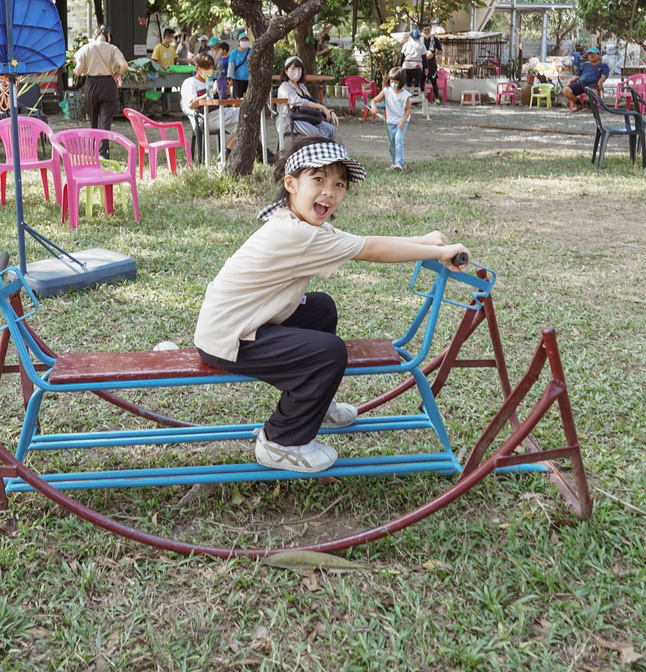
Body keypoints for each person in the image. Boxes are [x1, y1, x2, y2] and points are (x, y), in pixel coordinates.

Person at [194, 136, 469, 472]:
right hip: (229, 338)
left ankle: (315, 404)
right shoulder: (298, 234)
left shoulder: (297, 222)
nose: (330, 191)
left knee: (320, 308)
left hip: (241, 324)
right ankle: (281, 441)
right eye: (319, 179)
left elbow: (363, 242)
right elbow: (371, 250)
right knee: (329, 352)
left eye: (339, 184)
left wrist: (426, 242)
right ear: (291, 184)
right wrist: (437, 252)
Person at [73, 25, 129, 158]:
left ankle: (93, 153)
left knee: (94, 120)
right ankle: (103, 153)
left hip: (92, 84)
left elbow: (78, 71)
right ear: (108, 36)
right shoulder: (113, 48)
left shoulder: (87, 48)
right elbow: (124, 65)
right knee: (105, 121)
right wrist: (117, 74)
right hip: (108, 85)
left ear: (95, 35)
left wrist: (78, 67)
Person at [181, 51, 239, 161]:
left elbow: (224, 102)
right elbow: (191, 104)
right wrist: (209, 92)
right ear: (197, 68)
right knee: (245, 114)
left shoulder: (211, 81)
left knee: (245, 124)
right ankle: (226, 155)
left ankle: (225, 153)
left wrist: (226, 91)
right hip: (205, 118)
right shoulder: (190, 83)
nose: (209, 71)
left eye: (211, 68)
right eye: (206, 68)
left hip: (220, 114)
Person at [277, 55, 338, 139]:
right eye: (293, 69)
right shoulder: (285, 87)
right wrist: (321, 107)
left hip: (307, 117)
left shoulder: (302, 86)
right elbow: (299, 101)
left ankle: (325, 150)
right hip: (291, 119)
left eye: (299, 69)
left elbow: (311, 102)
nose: (297, 72)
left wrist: (329, 111)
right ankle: (314, 150)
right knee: (314, 133)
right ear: (286, 71)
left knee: (331, 129)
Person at [369, 67, 411, 172]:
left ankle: (399, 163)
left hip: (401, 121)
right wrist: (373, 107)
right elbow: (374, 100)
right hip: (390, 122)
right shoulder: (386, 91)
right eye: (391, 81)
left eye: (396, 82)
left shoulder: (405, 95)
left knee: (398, 140)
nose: (393, 84)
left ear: (401, 82)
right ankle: (394, 163)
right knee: (391, 143)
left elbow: (408, 110)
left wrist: (402, 121)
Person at [228, 31, 252, 98]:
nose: (244, 42)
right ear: (239, 41)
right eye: (243, 40)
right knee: (237, 99)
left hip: (250, 79)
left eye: (246, 40)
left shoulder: (252, 51)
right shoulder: (234, 53)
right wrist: (229, 77)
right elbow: (231, 66)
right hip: (238, 80)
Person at [421, 23, 442, 99]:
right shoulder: (420, 40)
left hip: (431, 63)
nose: (426, 31)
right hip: (422, 63)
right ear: (423, 31)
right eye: (425, 30)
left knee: (434, 81)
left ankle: (436, 98)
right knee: (421, 81)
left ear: (430, 30)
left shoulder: (435, 39)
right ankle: (421, 98)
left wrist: (433, 54)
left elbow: (440, 51)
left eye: (428, 29)